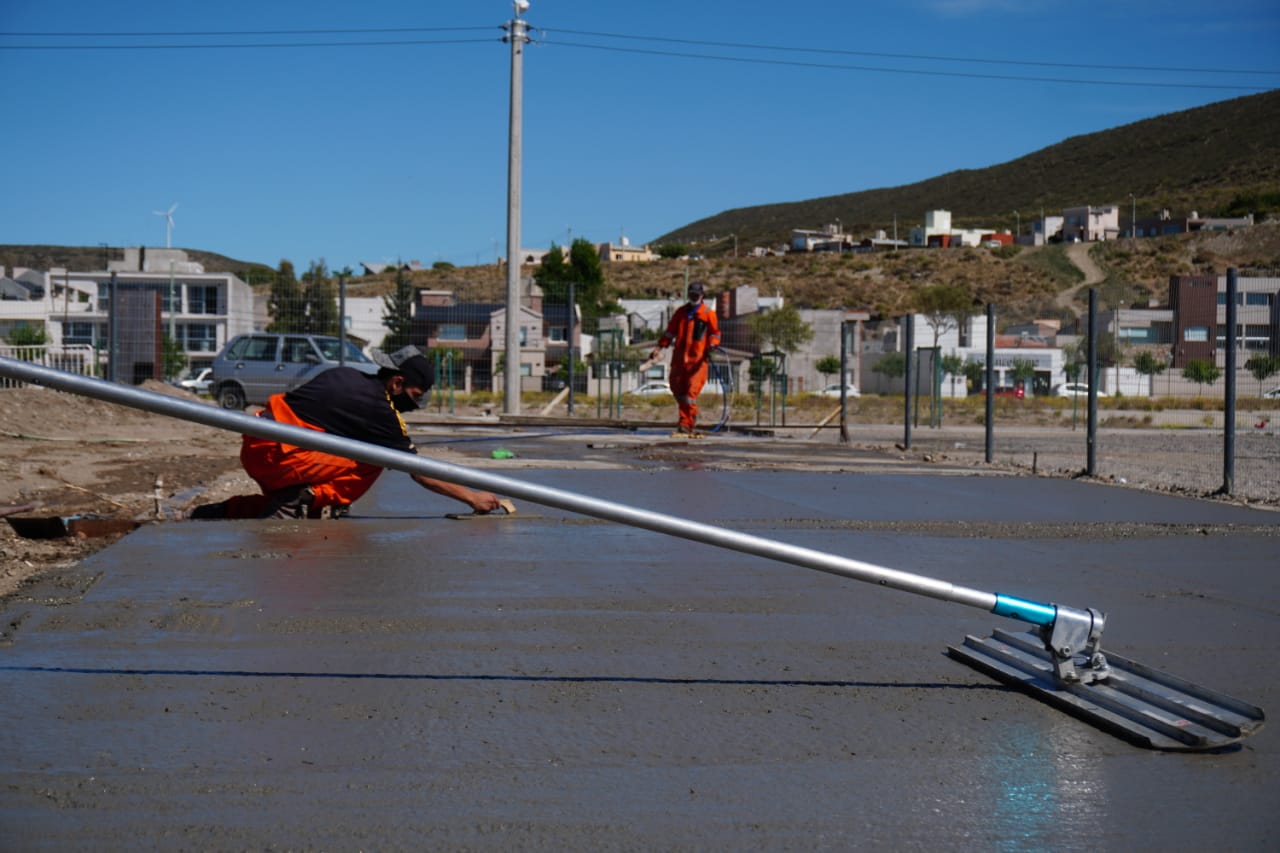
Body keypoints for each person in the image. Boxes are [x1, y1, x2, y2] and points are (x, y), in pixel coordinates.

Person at [189, 348, 503, 520]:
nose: (416, 402)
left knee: (286, 504)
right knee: (374, 458)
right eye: (416, 393)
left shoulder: (345, 374)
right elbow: (419, 472)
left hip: (260, 447)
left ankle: (218, 511)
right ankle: (310, 496)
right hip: (278, 455)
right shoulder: (379, 407)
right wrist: (472, 497)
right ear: (396, 383)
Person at [649, 281, 721, 436]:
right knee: (677, 388)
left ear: (702, 295)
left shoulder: (708, 313)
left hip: (698, 361)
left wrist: (713, 344)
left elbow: (715, 333)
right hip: (680, 360)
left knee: (690, 393)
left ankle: (686, 422)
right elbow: (669, 332)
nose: (694, 297)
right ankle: (686, 419)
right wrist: (659, 347)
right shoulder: (680, 313)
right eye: (692, 294)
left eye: (696, 294)